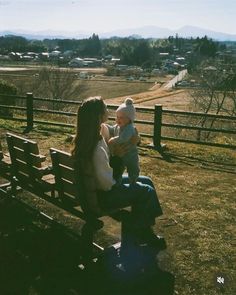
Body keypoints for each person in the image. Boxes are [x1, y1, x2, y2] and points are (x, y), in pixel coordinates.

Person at [72, 96, 166, 249]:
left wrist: (134, 139)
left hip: (93, 190)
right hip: (102, 197)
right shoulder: (97, 146)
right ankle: (142, 233)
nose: (107, 111)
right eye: (104, 109)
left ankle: (145, 231)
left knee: (146, 180)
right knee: (145, 191)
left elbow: (115, 130)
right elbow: (107, 184)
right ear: (98, 116)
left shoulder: (90, 134)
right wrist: (118, 159)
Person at [102, 97, 139, 185]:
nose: (118, 119)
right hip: (122, 154)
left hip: (130, 153)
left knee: (132, 167)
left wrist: (113, 140)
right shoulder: (119, 126)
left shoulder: (129, 128)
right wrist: (106, 126)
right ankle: (120, 181)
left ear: (129, 119)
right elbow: (112, 129)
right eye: (117, 117)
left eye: (121, 117)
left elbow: (123, 138)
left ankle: (133, 179)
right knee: (121, 167)